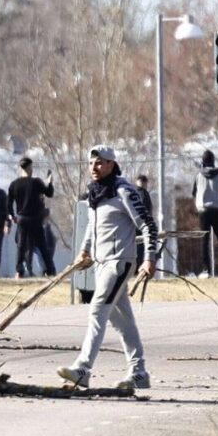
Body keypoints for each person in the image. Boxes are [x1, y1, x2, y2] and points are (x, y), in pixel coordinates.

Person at [58, 145, 157, 390]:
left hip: (119, 262)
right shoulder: (95, 193)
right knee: (122, 320)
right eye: (91, 163)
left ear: (112, 164)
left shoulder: (123, 190)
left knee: (97, 309)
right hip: (101, 264)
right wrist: (84, 251)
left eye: (100, 163)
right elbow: (92, 229)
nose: (94, 167)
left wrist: (150, 258)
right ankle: (139, 372)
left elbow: (148, 225)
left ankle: (83, 368)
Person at [7, 157, 55, 277]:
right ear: (29, 167)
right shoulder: (36, 182)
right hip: (35, 218)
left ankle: (19, 271)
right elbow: (49, 193)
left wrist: (12, 216)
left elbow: (8, 203)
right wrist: (49, 182)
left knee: (21, 246)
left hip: (22, 218)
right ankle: (49, 270)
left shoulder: (14, 184)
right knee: (42, 245)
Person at [192, 150, 218, 278]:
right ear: (213, 160)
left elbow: (194, 192)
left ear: (203, 161)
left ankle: (206, 270)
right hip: (217, 209)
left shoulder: (198, 175)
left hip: (204, 211)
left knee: (204, 241)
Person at [134, 175, 153, 269]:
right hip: (142, 225)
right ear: (145, 183)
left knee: (135, 246)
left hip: (133, 224)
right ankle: (139, 267)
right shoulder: (144, 194)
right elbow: (146, 210)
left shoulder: (131, 193)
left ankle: (135, 268)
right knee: (141, 247)